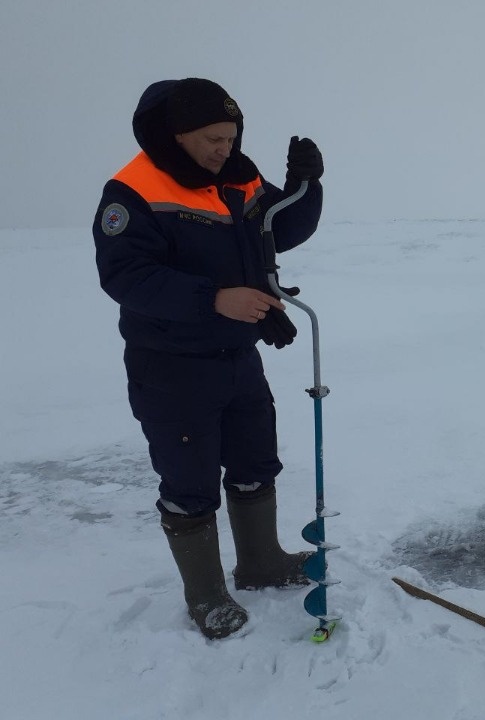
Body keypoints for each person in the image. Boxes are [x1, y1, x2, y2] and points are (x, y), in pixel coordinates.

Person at [93, 78, 325, 639]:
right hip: (171, 364)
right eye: (211, 138)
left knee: (253, 460)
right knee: (189, 478)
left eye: (231, 135)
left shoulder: (238, 177)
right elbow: (126, 275)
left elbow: (283, 229)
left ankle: (260, 563)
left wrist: (305, 185)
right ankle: (205, 595)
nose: (224, 147)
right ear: (176, 136)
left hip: (238, 355)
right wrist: (214, 298)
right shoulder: (133, 190)